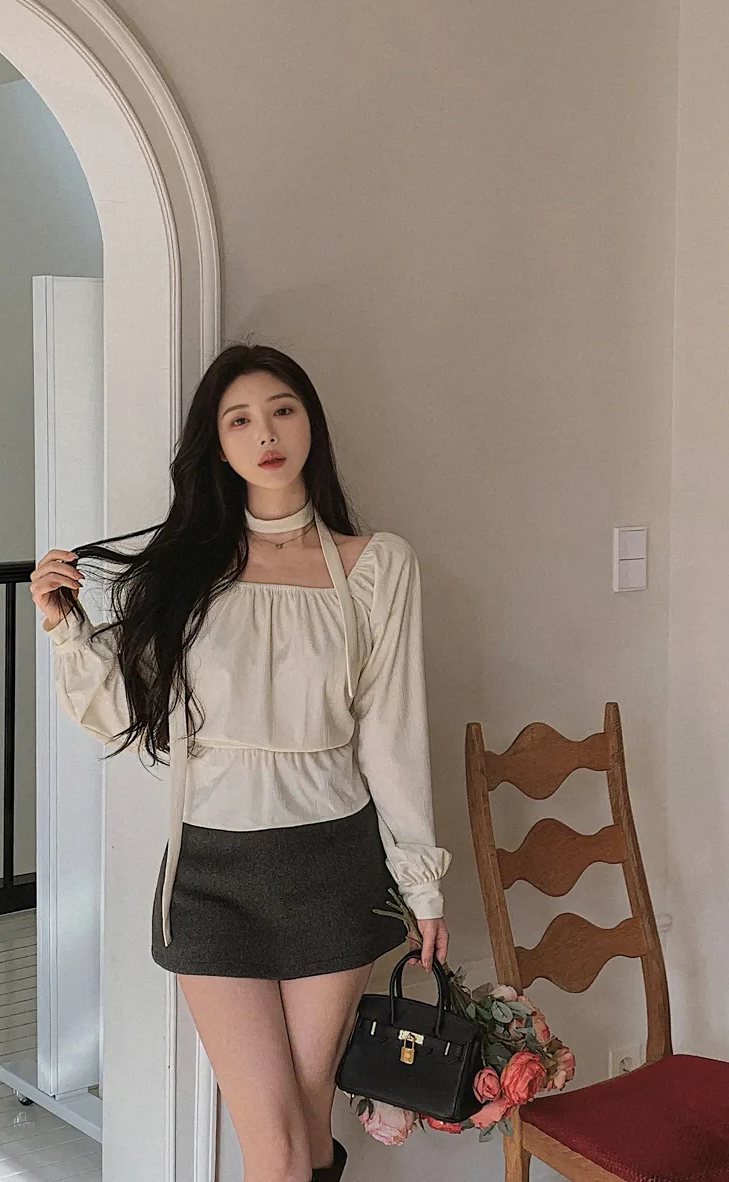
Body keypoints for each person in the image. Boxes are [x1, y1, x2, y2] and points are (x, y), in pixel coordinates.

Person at [29, 343, 452, 1182]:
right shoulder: (185, 574)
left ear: (310, 423)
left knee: (303, 1132)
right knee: (279, 1147)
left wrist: (422, 884)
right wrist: (63, 626)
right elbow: (120, 711)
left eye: (282, 410)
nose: (266, 433)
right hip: (211, 874)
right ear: (216, 446)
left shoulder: (377, 566)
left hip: (334, 867)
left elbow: (392, 736)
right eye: (240, 420)